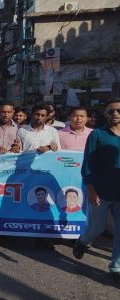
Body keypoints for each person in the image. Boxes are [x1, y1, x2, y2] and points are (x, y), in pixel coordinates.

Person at [73, 100, 120, 279]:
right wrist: (91, 189)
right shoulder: (97, 135)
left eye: (118, 110)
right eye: (111, 111)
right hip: (100, 191)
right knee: (96, 228)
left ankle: (116, 267)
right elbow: (88, 164)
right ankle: (83, 242)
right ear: (106, 114)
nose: (115, 114)